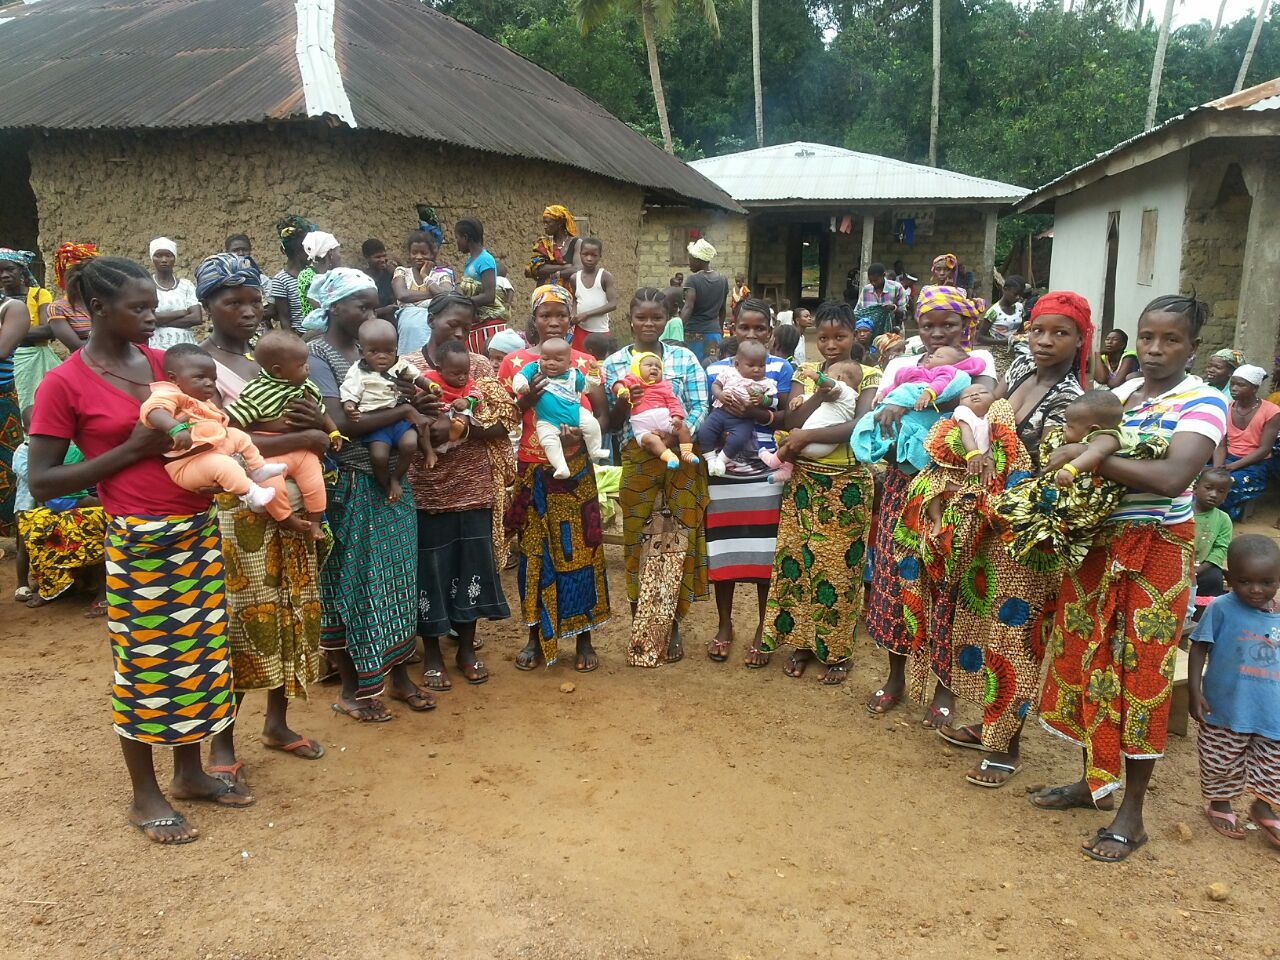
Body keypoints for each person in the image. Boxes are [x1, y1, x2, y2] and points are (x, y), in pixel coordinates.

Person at [28, 255, 252, 844]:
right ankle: (143, 793)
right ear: (97, 309)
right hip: (140, 541)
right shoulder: (64, 383)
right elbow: (44, 481)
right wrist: (132, 450)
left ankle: (189, 773)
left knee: (202, 658)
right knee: (147, 666)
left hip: (196, 530)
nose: (154, 318)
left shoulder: (163, 366)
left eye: (154, 305)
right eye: (140, 308)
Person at [1033, 294, 1226, 862]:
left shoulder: (1205, 402)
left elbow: (1172, 477)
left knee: (1140, 672)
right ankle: (1095, 781)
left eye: (1171, 340)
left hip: (1158, 552)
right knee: (1088, 658)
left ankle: (1132, 813)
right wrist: (1078, 454)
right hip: (1098, 546)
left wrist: (1086, 457)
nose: (1155, 349)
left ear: (1192, 347)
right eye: (1147, 337)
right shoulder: (1119, 394)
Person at [934, 291, 1091, 786]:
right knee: (980, 627)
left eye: (1059, 333)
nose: (1045, 341)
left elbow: (1051, 470)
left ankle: (1008, 747)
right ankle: (989, 724)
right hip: (987, 523)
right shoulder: (1020, 370)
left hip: (1028, 535)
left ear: (1079, 340)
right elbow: (980, 418)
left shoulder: (1072, 401)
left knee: (1016, 634)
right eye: (1039, 330)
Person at [191, 251, 332, 778]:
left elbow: (324, 427)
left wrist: (317, 427)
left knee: (292, 614)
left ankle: (278, 723)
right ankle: (223, 745)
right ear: (207, 305)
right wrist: (307, 435)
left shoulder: (272, 361)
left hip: (292, 507)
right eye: (233, 302)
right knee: (241, 623)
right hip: (238, 517)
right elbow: (214, 445)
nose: (248, 311)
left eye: (255, 300)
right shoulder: (197, 369)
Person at [306, 267, 435, 720]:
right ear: (333, 307)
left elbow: (414, 404)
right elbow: (342, 424)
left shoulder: (389, 354)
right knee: (352, 584)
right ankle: (351, 689)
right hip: (350, 486)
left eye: (372, 303)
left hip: (392, 487)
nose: (370, 310)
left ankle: (396, 677)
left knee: (398, 579)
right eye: (360, 304)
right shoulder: (318, 355)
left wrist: (417, 406)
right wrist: (403, 409)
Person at [863, 285, 995, 726]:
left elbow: (981, 402)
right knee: (894, 580)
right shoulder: (901, 363)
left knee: (947, 585)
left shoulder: (980, 364)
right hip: (903, 484)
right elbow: (882, 409)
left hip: (950, 489)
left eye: (949, 325)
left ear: (966, 326)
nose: (937, 334)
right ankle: (896, 676)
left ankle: (945, 687)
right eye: (928, 325)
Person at [403, 292, 517, 690]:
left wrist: (465, 429)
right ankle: (432, 653)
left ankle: (466, 649)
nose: (460, 332)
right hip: (425, 490)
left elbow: (506, 420)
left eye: (467, 327)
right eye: (452, 323)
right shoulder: (407, 368)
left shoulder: (481, 366)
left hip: (474, 485)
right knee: (429, 573)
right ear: (431, 318)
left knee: (472, 566)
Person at [758, 301, 876, 682]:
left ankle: (837, 652)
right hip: (804, 482)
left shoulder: (870, 374)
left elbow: (860, 424)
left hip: (847, 485)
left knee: (839, 569)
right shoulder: (806, 374)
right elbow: (791, 419)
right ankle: (802, 644)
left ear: (854, 335)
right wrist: (819, 397)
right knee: (799, 563)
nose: (830, 345)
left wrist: (806, 435)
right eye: (822, 337)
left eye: (839, 336)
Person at [499, 283, 610, 672]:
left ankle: (583, 637)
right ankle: (535, 636)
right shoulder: (514, 364)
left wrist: (581, 435)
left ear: (571, 318)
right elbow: (504, 419)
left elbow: (604, 417)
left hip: (576, 470)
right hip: (532, 468)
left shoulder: (586, 363)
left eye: (560, 314)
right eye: (545, 314)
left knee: (582, 548)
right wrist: (525, 402)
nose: (553, 322)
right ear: (533, 319)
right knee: (534, 553)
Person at [603, 288, 710, 665]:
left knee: (676, 537)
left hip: (679, 458)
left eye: (656, 317)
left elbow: (700, 406)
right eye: (642, 317)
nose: (649, 324)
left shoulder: (683, 358)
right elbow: (612, 424)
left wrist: (676, 432)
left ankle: (671, 624)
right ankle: (641, 622)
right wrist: (621, 401)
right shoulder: (615, 364)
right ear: (629, 319)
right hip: (637, 458)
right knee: (637, 537)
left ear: (667, 320)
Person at [702, 299, 793, 665]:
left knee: (762, 555)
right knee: (723, 551)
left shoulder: (781, 368)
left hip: (764, 470)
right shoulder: (717, 368)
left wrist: (754, 412)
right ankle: (725, 625)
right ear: (732, 329)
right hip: (725, 472)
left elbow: (786, 413)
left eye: (760, 328)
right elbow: (713, 413)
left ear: (770, 332)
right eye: (745, 327)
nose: (752, 333)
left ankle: (761, 627)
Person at [993, 389, 1168, 573]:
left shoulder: (1106, 438)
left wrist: (1071, 468)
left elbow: (1095, 454)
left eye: (1069, 426)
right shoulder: (1094, 435)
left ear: (1093, 429)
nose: (1064, 429)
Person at [1189, 534, 1280, 849]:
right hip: (1226, 707)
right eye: (1245, 581)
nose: (1256, 590)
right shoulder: (1221, 608)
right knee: (1221, 760)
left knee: (1274, 764)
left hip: (1272, 712)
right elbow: (1199, 647)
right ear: (1229, 578)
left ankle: (1263, 806)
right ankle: (1220, 803)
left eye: (1267, 582)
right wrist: (1194, 690)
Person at [138, 344, 292, 513]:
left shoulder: (201, 401)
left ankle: (258, 469)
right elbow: (153, 411)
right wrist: (175, 428)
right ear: (174, 379)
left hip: (208, 452)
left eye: (213, 379)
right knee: (222, 464)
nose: (209, 383)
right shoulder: (168, 394)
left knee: (238, 436)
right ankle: (250, 492)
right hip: (185, 465)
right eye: (200, 377)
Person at [12, 406, 106, 611]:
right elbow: (35, 479)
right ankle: (25, 583)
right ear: (25, 430)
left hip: (58, 505)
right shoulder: (23, 451)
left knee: (82, 536)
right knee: (26, 546)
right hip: (27, 507)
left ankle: (76, 583)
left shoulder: (68, 449)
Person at [852, 344, 986, 472]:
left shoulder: (945, 370)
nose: (932, 357)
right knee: (869, 422)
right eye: (933, 355)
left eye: (939, 357)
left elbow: (942, 382)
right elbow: (896, 385)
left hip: (919, 407)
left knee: (907, 429)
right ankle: (869, 445)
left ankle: (902, 449)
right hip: (894, 406)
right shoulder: (916, 370)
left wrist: (929, 392)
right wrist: (884, 394)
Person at [340, 317, 436, 488]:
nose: (382, 357)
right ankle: (386, 484)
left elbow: (418, 378)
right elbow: (349, 390)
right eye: (374, 352)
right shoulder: (358, 371)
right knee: (379, 456)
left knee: (412, 440)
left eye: (389, 351)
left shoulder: (399, 364)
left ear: (396, 350)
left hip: (400, 418)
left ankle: (414, 463)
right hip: (376, 421)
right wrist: (349, 405)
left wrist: (431, 386)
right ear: (362, 352)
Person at [511, 336, 609, 479]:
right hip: (547, 420)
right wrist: (522, 386)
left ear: (569, 363)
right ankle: (561, 466)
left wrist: (592, 375)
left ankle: (595, 450)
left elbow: (587, 388)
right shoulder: (534, 368)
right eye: (546, 359)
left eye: (557, 360)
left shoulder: (574, 375)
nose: (550, 363)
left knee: (592, 424)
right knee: (548, 440)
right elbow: (520, 377)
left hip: (574, 413)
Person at [697, 340, 777, 475]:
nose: (757, 369)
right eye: (751, 365)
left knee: (739, 439)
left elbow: (770, 400)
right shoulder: (729, 373)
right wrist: (720, 395)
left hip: (743, 420)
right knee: (704, 431)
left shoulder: (765, 383)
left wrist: (761, 399)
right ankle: (710, 459)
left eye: (761, 365)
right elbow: (716, 385)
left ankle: (721, 461)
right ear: (737, 364)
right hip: (720, 412)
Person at [610, 350, 699, 469]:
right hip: (643, 427)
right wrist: (622, 391)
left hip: (665, 422)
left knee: (683, 428)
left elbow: (673, 402)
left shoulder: (664, 386)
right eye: (649, 365)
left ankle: (686, 452)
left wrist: (676, 417)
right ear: (637, 368)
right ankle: (669, 457)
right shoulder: (634, 380)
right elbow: (618, 384)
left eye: (658, 367)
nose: (654, 368)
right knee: (651, 440)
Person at [1213, 363, 1280, 520]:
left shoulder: (1272, 412)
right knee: (1201, 480)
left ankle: (1223, 517)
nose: (1234, 388)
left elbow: (1264, 449)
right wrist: (1217, 469)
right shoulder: (1226, 407)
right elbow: (1221, 444)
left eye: (1240, 385)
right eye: (1232, 384)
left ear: (1255, 388)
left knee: (1224, 486)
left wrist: (1232, 467)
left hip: (1255, 465)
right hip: (1227, 460)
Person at [0, 247, 56, 411]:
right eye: (0, 271)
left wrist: (11, 333)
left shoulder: (39, 294)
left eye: (10, 269)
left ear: (22, 271)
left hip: (34, 358)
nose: (4, 275)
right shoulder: (2, 300)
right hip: (10, 363)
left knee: (34, 404)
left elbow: (49, 330)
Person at [455, 218, 508, 354]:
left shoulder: (485, 259)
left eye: (457, 238)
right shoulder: (470, 260)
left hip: (488, 325)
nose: (457, 242)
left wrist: (463, 302)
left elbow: (489, 295)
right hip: (477, 323)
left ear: (465, 237)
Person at [0, 296, 28, 539]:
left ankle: (5, 535)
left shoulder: (13, 308)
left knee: (4, 470)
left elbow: (2, 351)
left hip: (2, 401)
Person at [680, 239, 729, 364]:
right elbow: (722, 309)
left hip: (693, 333)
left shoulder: (693, 280)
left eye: (691, 259)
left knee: (692, 367)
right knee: (711, 366)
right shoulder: (723, 280)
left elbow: (688, 307)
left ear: (699, 260)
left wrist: (678, 327)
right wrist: (720, 329)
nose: (689, 262)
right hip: (714, 333)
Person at [146, 238, 201, 350]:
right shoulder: (146, 286)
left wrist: (161, 322)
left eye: (168, 255)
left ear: (175, 258)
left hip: (187, 348)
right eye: (158, 255)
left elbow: (196, 318)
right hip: (156, 348)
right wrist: (181, 313)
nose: (164, 260)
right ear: (152, 258)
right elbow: (148, 318)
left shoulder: (186, 285)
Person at [1191, 467, 1233, 609]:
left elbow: (1220, 549)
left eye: (1221, 491)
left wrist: (1198, 571)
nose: (1214, 494)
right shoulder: (1183, 512)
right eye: (1208, 488)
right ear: (1195, 488)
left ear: (1226, 496)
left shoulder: (1223, 519)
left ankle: (1202, 615)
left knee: (1214, 578)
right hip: (1176, 564)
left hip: (1203, 567)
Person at [46, 242, 98, 351]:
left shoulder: (107, 301)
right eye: (75, 275)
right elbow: (77, 347)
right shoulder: (58, 308)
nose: (81, 279)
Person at [269, 215, 315, 332]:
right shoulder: (280, 280)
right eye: (309, 249)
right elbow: (284, 319)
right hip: (300, 338)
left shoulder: (314, 273)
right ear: (301, 252)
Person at [570, 238, 616, 353]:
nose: (589, 258)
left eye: (594, 255)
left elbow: (613, 304)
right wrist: (573, 314)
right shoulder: (575, 278)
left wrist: (586, 314)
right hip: (580, 330)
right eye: (585, 254)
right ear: (580, 254)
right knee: (580, 363)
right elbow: (575, 299)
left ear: (600, 256)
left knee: (599, 365)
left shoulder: (605, 276)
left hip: (600, 331)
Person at [976, 275, 1026, 375]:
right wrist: (1003, 342)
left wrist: (1022, 337)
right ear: (1005, 289)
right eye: (1015, 294)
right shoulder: (994, 312)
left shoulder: (1019, 308)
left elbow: (1021, 331)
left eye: (1020, 295)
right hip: (999, 355)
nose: (1018, 298)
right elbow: (980, 337)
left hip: (1017, 351)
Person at [392, 231, 454, 308]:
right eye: (414, 253)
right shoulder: (402, 272)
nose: (418, 257)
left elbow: (448, 295)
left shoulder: (441, 275)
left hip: (434, 319)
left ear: (432, 254)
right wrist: (436, 293)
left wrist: (424, 276)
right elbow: (402, 295)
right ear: (409, 254)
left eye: (423, 253)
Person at [526, 204, 581, 285]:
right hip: (545, 293)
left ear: (560, 223)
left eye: (548, 222)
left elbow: (578, 269)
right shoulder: (543, 244)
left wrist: (555, 273)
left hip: (568, 293)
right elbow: (537, 268)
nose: (545, 226)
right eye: (544, 223)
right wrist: (565, 267)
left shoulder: (577, 243)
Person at [299, 231, 342, 330]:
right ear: (330, 253)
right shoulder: (308, 275)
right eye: (338, 251)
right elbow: (321, 309)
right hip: (318, 332)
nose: (340, 256)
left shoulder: (330, 274)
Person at [361, 238, 399, 319]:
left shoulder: (390, 273)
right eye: (377, 257)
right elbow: (361, 311)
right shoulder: (362, 279)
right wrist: (383, 310)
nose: (382, 260)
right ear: (367, 258)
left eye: (384, 256)